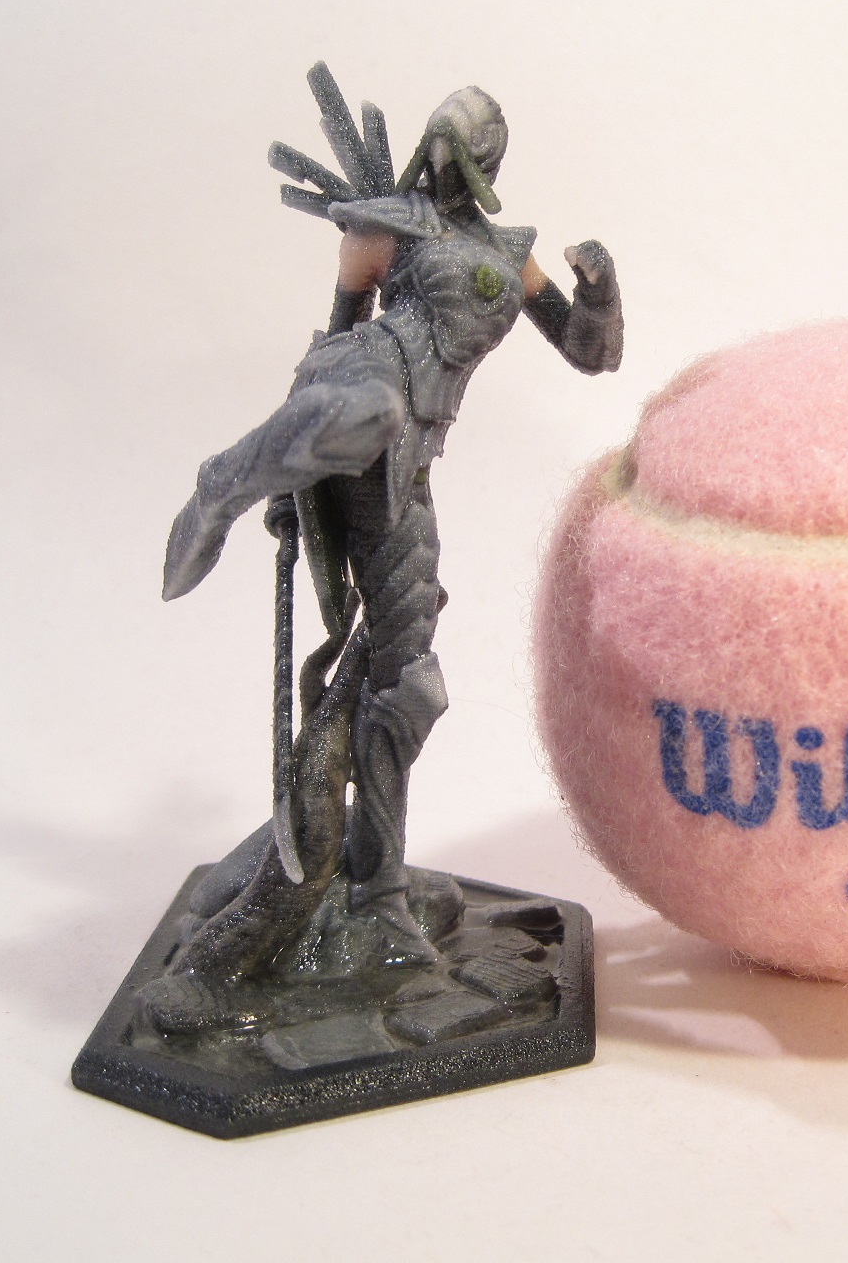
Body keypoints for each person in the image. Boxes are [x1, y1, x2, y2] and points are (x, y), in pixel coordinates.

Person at [144, 83, 623, 1034]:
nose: (446, 160)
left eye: (464, 145)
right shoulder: (392, 225)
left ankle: (377, 890)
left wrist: (602, 287)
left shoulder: (510, 253)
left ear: (490, 158)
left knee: (410, 686)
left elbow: (589, 349)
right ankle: (223, 483)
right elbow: (340, 327)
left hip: (409, 465)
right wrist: (296, 472)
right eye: (438, 142)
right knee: (366, 408)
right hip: (366, 384)